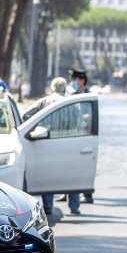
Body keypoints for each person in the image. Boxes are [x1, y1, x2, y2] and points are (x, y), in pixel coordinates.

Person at [26, 77, 68, 216]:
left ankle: (48, 207)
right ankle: (74, 205)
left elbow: (27, 113)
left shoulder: (46, 100)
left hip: (47, 140)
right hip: (67, 141)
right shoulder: (70, 102)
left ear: (52, 87)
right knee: (70, 173)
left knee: (48, 173)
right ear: (65, 88)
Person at [67, 67, 92, 210]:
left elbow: (91, 115)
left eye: (75, 79)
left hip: (85, 134)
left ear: (82, 80)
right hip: (72, 133)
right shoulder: (71, 94)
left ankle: (87, 194)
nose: (73, 82)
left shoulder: (89, 95)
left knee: (83, 167)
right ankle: (68, 192)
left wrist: (83, 119)